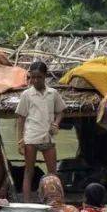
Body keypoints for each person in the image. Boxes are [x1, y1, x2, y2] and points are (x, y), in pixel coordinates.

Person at [16, 60, 65, 201]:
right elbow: (21, 118)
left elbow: (61, 111)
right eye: (33, 77)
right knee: (29, 171)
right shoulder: (27, 94)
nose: (35, 80)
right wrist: (20, 139)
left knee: (52, 174)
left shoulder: (53, 93)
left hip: (48, 137)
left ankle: (56, 201)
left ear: (45, 76)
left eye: (39, 77)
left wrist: (56, 123)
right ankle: (27, 203)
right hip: (31, 137)